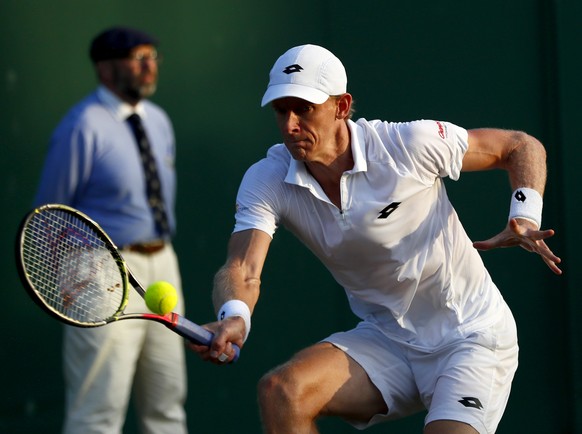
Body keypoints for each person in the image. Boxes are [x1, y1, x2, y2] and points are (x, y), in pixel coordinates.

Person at [190, 44, 562, 433]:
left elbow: (520, 145)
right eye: (281, 110)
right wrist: (234, 315)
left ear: (342, 106)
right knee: (282, 391)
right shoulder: (266, 179)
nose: (290, 125)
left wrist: (524, 213)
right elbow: (242, 268)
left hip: (469, 336)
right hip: (386, 341)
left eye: (304, 108)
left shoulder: (408, 145)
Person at [34, 27, 188, 434]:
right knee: (97, 411)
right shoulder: (81, 126)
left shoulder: (159, 120)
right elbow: (48, 215)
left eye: (152, 56)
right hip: (100, 273)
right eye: (137, 58)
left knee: (167, 403)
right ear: (106, 69)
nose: (149, 66)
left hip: (163, 265)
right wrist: (67, 276)